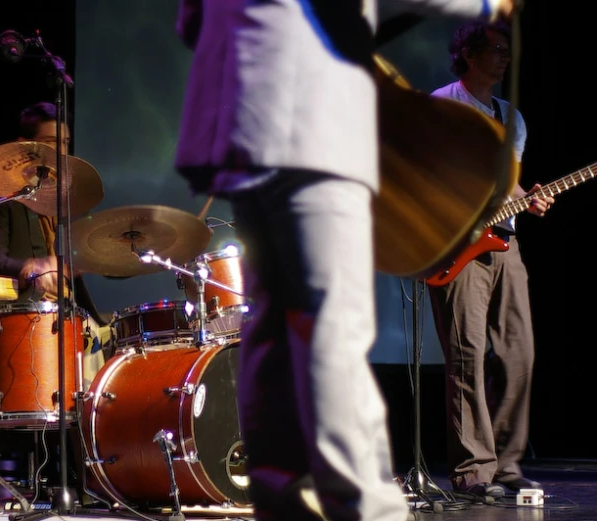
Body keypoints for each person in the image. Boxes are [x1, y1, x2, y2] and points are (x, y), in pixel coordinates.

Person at [174, 1, 516, 520]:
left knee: (274, 336)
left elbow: (191, 22)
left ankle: (289, 502)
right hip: (309, 123)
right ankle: (365, 509)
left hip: (243, 122)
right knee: (330, 327)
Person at [427, 20, 554, 499]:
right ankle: (473, 471)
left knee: (520, 354)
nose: (505, 58)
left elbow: (507, 185)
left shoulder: (511, 116)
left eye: (507, 50)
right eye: (497, 50)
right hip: (459, 245)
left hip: (506, 243)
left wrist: (530, 198)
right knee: (468, 356)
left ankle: (507, 464)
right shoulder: (443, 104)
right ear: (469, 54)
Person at [0, 100, 110, 387]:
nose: (59, 152)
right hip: (27, 321)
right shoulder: (4, 200)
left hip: (74, 320)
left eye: (64, 143)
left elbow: (99, 252)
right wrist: (33, 267)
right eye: (50, 141)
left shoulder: (70, 200)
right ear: (25, 145)